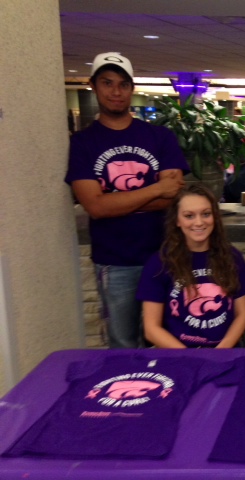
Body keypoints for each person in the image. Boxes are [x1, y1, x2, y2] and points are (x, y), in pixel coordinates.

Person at [65, 52, 188, 349]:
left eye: (122, 84)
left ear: (132, 88)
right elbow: (94, 207)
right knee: (123, 343)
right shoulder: (83, 143)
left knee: (170, 339)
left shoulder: (160, 136)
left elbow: (172, 196)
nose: (116, 91)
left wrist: (114, 202)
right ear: (94, 86)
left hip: (165, 258)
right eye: (107, 83)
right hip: (114, 262)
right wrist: (154, 189)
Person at [136, 184, 245, 348]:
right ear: (177, 220)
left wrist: (220, 353)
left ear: (214, 217)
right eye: (189, 216)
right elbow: (151, 329)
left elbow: (242, 314)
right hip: (178, 356)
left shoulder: (233, 257)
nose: (198, 222)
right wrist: (191, 358)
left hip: (223, 352)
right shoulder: (159, 263)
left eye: (206, 214)